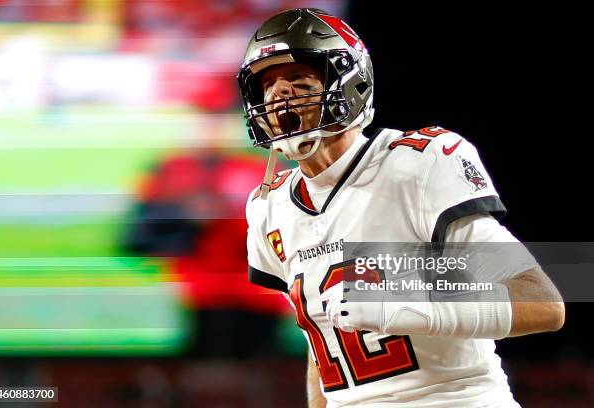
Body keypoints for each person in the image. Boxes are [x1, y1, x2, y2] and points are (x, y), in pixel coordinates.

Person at [237, 8, 564, 407]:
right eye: (267, 86)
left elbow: (542, 302)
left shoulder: (416, 165)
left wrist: (409, 302)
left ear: (350, 85)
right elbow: (321, 343)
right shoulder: (271, 208)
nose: (278, 96)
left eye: (299, 80)